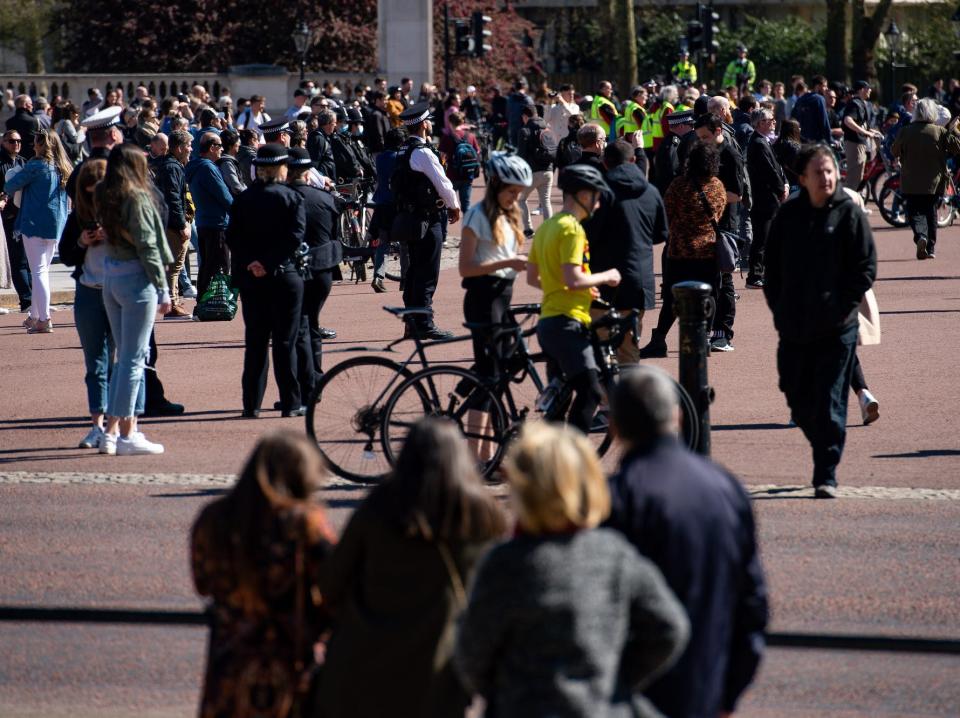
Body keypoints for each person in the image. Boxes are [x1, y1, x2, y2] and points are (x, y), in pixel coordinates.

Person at [455, 421, 689, 718]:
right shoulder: (612, 553)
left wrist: (505, 689)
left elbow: (470, 655)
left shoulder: (505, 562)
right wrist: (614, 681)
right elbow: (669, 628)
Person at [605, 366, 768, 718]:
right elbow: (752, 603)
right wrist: (730, 690)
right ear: (677, 417)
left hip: (632, 693)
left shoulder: (616, 499)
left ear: (614, 428)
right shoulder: (726, 487)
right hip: (706, 685)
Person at [318, 418, 507, 718]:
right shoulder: (480, 517)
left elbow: (331, 583)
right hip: (438, 672)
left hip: (364, 662)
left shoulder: (378, 508)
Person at [191, 431, 337, 718]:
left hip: (229, 662)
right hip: (290, 664)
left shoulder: (213, 519)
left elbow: (202, 584)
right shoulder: (305, 524)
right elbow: (335, 580)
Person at [764, 144, 877, 498]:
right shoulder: (788, 216)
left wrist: (843, 308)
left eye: (830, 170)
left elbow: (865, 268)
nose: (826, 177)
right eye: (819, 172)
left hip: (837, 327)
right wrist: (780, 310)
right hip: (794, 325)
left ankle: (825, 472)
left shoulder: (849, 213)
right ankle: (824, 445)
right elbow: (772, 271)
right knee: (795, 395)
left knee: (830, 399)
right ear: (803, 178)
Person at [526, 164, 621, 434]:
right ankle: (573, 455)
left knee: (559, 399)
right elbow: (573, 278)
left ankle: (551, 464)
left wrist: (573, 287)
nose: (598, 204)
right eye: (596, 196)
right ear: (581, 194)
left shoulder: (547, 226)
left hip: (549, 322)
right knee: (591, 393)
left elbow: (534, 278)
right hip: (569, 323)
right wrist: (605, 277)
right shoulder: (572, 230)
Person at [94, 144, 173, 456]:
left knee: (124, 359)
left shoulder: (105, 192)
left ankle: (117, 432)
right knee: (133, 360)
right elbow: (148, 246)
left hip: (111, 275)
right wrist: (163, 287)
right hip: (135, 279)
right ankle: (123, 436)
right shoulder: (137, 196)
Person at [225, 144, 308, 418]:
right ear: (282, 168)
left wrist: (253, 262)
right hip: (284, 275)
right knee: (286, 343)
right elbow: (295, 236)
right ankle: (291, 403)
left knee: (256, 342)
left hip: (252, 278)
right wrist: (269, 262)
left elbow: (232, 237)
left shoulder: (244, 199)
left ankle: (251, 404)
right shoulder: (291, 197)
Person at [57, 159, 126, 449]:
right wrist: (83, 242)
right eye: (88, 192)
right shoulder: (77, 218)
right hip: (88, 293)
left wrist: (115, 237)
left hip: (118, 292)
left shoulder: (122, 212)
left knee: (119, 361)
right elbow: (66, 255)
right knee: (94, 363)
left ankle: (117, 423)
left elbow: (138, 249)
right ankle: (97, 424)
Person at [639, 141, 724, 358]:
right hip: (708, 250)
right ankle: (704, 338)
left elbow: (665, 215)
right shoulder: (717, 186)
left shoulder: (679, 185)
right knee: (710, 295)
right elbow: (719, 214)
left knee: (672, 298)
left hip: (680, 250)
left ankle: (659, 340)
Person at [459, 152, 530, 395]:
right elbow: (465, 267)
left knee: (501, 372)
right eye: (512, 192)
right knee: (490, 379)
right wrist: (506, 262)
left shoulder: (510, 216)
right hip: (483, 297)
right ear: (496, 185)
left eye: (519, 193)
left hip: (503, 295)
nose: (516, 198)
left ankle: (466, 392)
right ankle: (474, 432)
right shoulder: (477, 216)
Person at [592, 140, 667, 365]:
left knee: (601, 348)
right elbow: (661, 233)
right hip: (638, 278)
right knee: (629, 348)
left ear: (605, 164)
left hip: (603, 277)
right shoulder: (651, 191)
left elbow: (589, 233)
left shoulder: (600, 191)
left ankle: (607, 398)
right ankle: (629, 398)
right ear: (633, 160)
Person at [394, 101, 461, 340]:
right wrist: (454, 206)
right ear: (424, 125)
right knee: (427, 272)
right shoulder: (423, 152)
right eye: (429, 120)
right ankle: (424, 322)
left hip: (410, 219)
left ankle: (412, 321)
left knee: (413, 271)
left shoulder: (403, 150)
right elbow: (443, 183)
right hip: (427, 218)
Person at [286, 147, 341, 402]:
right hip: (322, 269)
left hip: (294, 270)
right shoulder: (324, 198)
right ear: (308, 173)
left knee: (297, 329)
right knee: (313, 325)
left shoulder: (284, 197)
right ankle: (316, 376)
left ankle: (302, 386)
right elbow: (332, 233)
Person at [5, 130, 72, 333]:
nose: (33, 146)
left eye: (35, 143)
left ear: (42, 145)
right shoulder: (62, 167)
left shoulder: (36, 165)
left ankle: (44, 318)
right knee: (42, 270)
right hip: (56, 224)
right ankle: (35, 315)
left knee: (38, 271)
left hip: (34, 222)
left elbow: (10, 185)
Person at [694, 114, 742, 352]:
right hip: (705, 224)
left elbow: (737, 194)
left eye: (705, 136)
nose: (702, 141)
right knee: (708, 280)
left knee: (725, 280)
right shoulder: (704, 152)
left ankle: (724, 333)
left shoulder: (730, 155)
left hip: (724, 226)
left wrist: (709, 196)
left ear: (718, 130)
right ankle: (708, 330)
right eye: (699, 138)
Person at [891, 98, 960, 260]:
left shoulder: (906, 131)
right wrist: (954, 129)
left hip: (911, 180)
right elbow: (957, 147)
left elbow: (894, 151)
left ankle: (920, 235)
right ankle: (931, 247)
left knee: (914, 211)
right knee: (931, 211)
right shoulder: (939, 131)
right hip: (934, 180)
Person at [185, 132, 233, 297]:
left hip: (204, 222)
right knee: (220, 267)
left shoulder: (196, 166)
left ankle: (204, 304)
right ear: (212, 147)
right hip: (217, 224)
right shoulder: (208, 168)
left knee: (207, 266)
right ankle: (214, 305)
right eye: (219, 146)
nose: (222, 149)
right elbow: (224, 196)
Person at [745, 108, 788, 288]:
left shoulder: (763, 141)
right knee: (762, 238)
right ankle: (754, 276)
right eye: (771, 119)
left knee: (767, 236)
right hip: (764, 198)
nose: (774, 122)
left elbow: (777, 166)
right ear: (760, 123)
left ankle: (762, 272)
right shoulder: (758, 143)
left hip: (768, 196)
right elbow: (769, 171)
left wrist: (784, 183)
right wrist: (780, 189)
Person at [152, 129, 192, 318]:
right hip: (173, 224)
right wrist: (182, 223)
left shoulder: (170, 165)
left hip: (168, 222)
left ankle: (173, 300)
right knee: (175, 265)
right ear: (178, 148)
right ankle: (172, 302)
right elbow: (173, 198)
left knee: (174, 265)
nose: (190, 149)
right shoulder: (172, 167)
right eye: (188, 146)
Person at [370, 128, 406, 293]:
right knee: (405, 244)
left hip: (383, 205)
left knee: (383, 244)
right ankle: (405, 279)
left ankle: (378, 276)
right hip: (398, 205)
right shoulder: (400, 157)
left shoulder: (380, 158)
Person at [0, 129, 29, 312]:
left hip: (22, 216)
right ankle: (27, 300)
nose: (16, 144)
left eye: (18, 141)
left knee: (26, 260)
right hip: (5, 217)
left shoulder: (23, 162)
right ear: (3, 142)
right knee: (17, 260)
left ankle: (33, 300)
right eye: (11, 141)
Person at [516, 104, 555, 236]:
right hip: (549, 170)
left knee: (521, 199)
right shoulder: (546, 127)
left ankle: (528, 229)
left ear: (525, 116)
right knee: (545, 200)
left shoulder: (524, 130)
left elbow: (521, 155)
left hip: (532, 172)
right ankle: (549, 230)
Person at [843, 81, 884, 192]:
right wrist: (866, 133)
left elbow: (862, 124)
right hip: (854, 143)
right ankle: (843, 204)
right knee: (853, 178)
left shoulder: (860, 103)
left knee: (858, 177)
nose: (870, 90)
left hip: (859, 143)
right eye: (868, 88)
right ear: (861, 89)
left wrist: (873, 132)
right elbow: (848, 120)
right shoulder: (855, 103)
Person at [437, 110, 481, 215]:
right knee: (466, 204)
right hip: (468, 174)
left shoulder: (447, 137)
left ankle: (444, 230)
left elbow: (441, 155)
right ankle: (468, 229)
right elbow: (477, 152)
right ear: (462, 122)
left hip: (452, 175)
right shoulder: (470, 136)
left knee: (447, 203)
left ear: (450, 123)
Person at [5, 95, 40, 160]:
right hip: (31, 159)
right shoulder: (33, 121)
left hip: (14, 158)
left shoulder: (9, 122)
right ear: (26, 105)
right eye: (31, 104)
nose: (32, 107)